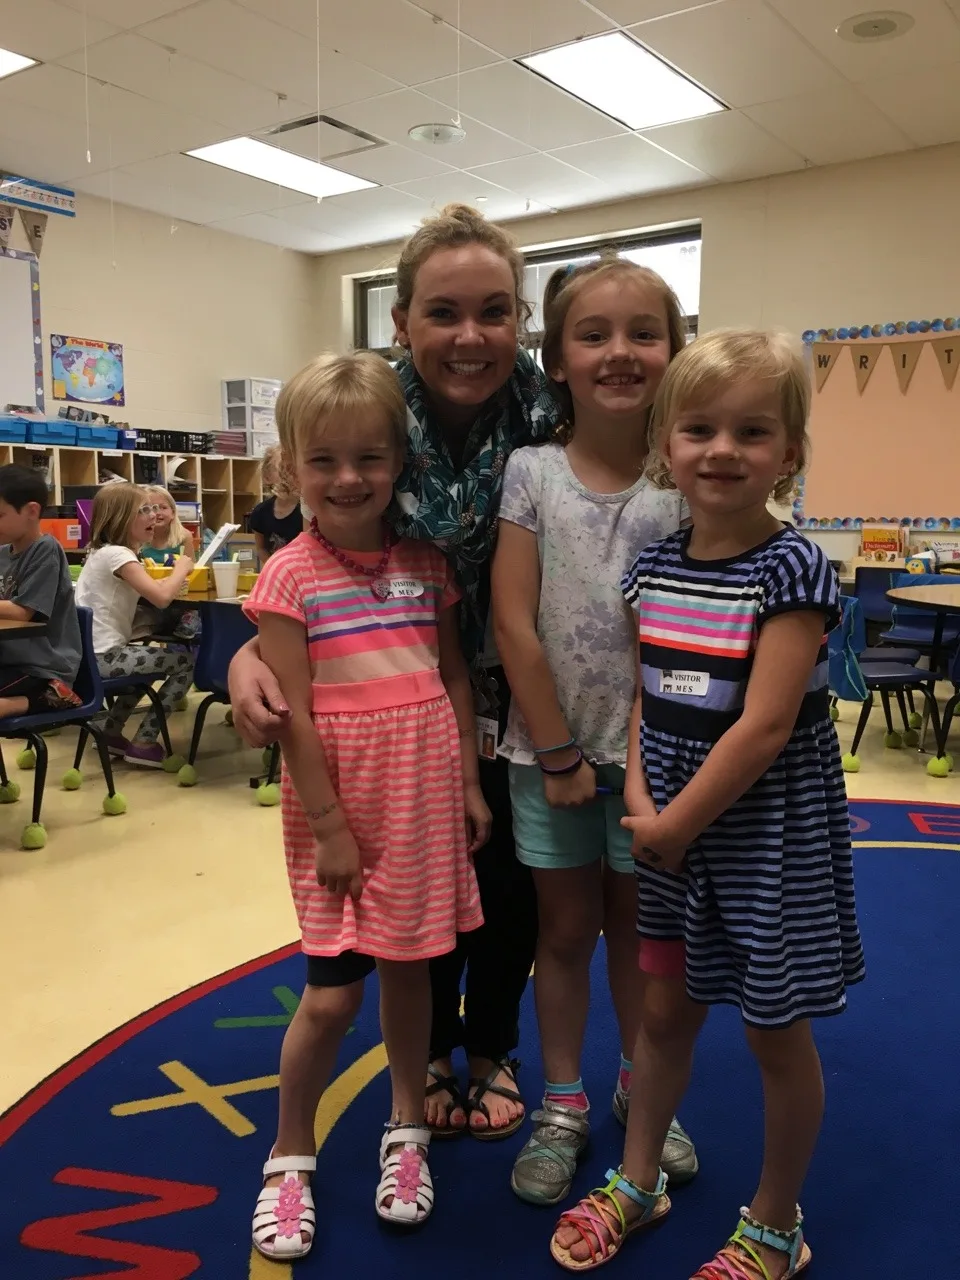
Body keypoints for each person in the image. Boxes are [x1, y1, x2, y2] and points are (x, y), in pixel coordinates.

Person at [228, 204, 559, 1139]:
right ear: (401, 321)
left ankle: (490, 1049)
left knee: (503, 886)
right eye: (442, 313)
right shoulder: (370, 403)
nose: (470, 336)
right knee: (418, 894)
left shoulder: (547, 407)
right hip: (394, 687)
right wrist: (252, 655)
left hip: (512, 684)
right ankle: (430, 1062)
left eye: (495, 311)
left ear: (520, 320)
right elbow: (311, 566)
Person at [549, 329, 865, 1276]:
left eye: (752, 432)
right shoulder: (657, 568)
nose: (722, 450)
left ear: (790, 454)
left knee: (775, 1033)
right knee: (663, 1018)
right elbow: (650, 699)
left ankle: (776, 1224)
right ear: (666, 446)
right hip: (673, 841)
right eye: (699, 429)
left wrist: (679, 824)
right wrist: (646, 799)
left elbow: (766, 727)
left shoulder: (793, 571)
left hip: (766, 841)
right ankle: (638, 1182)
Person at [245, 351, 488, 1260]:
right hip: (340, 808)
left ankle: (406, 1130)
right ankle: (290, 1150)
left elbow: (454, 678)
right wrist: (333, 828)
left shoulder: (426, 563)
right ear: (291, 467)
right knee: (330, 996)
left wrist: (466, 783)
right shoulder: (290, 578)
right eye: (324, 461)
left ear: (399, 461)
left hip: (425, 799)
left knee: (414, 973)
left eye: (370, 458)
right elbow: (296, 712)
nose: (348, 480)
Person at [493, 255, 698, 1209]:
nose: (620, 352)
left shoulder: (692, 478)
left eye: (642, 333)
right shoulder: (531, 472)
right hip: (552, 759)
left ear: (674, 349)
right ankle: (564, 1100)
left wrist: (647, 772)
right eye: (594, 334)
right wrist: (563, 752)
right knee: (566, 934)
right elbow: (513, 620)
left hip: (658, 770)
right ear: (557, 357)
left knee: (641, 942)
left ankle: (640, 1087)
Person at [75, 484, 195, 767]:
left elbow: (149, 589)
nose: (153, 516)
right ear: (120, 519)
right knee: (184, 661)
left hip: (89, 657)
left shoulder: (102, 552)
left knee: (147, 663)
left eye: (154, 508)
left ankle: (110, 733)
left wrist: (167, 582)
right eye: (143, 510)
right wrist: (181, 569)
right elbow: (163, 599)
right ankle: (144, 741)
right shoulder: (120, 555)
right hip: (104, 658)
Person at [0, 465, 81, 717]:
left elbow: (22, 612)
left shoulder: (45, 549)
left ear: (31, 511)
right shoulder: (3, 552)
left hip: (41, 667)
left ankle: (48, 695)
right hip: (11, 660)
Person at [248, 445, 302, 565]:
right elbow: (261, 548)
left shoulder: (307, 509)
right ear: (267, 476)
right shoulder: (260, 512)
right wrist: (272, 567)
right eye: (281, 469)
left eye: (292, 469)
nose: (288, 475)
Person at [139, 486, 195, 564]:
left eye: (163, 507)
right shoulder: (137, 537)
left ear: (173, 512)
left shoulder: (184, 536)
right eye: (153, 508)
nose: (158, 513)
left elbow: (192, 570)